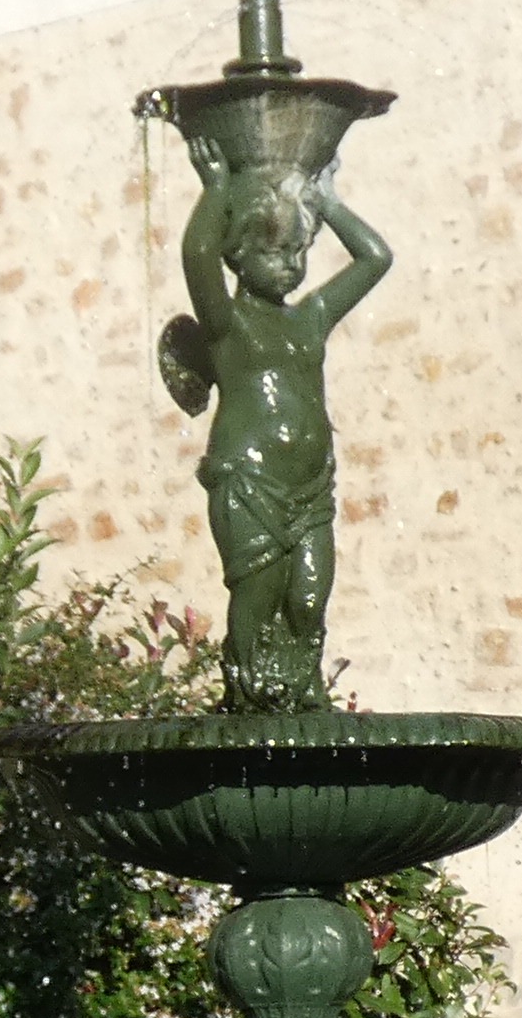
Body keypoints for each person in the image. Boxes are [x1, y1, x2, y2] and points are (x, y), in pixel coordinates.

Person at [157, 142, 389, 712]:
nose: (289, 264)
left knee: (309, 598)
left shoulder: (311, 317)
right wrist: (215, 189)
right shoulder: (227, 324)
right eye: (273, 251)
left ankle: (304, 689)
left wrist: (327, 202)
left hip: (309, 485)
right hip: (248, 480)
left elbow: (375, 259)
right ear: (238, 257)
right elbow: (197, 254)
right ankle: (247, 697)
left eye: (297, 251)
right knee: (258, 597)